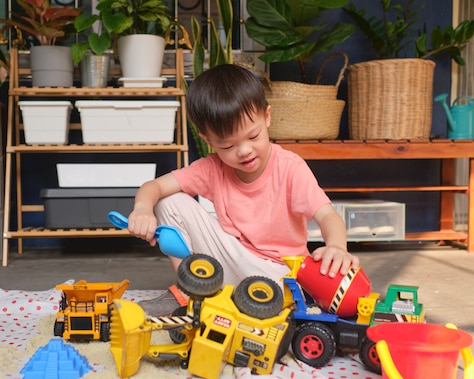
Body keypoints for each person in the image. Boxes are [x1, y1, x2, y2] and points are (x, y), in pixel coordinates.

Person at [126, 64, 360, 315]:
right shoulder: (211, 168)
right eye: (227, 146)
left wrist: (337, 247)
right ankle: (191, 290)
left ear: (267, 117)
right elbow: (154, 186)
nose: (244, 151)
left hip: (280, 274)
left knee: (317, 286)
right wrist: (142, 209)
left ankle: (242, 302)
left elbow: (327, 215)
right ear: (209, 140)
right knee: (167, 202)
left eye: (253, 136)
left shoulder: (290, 168)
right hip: (231, 263)